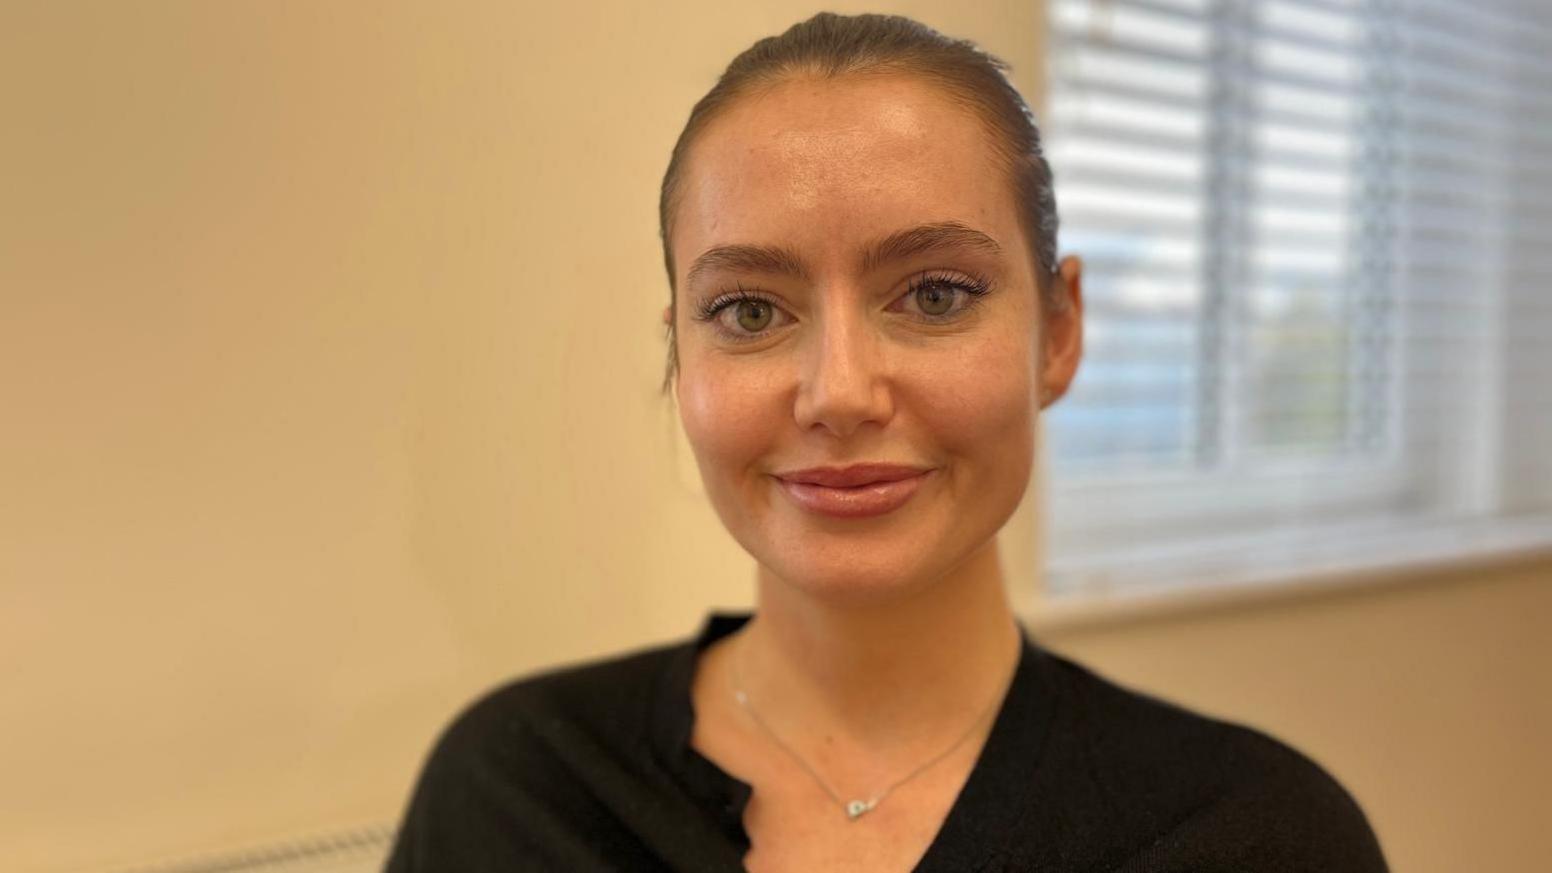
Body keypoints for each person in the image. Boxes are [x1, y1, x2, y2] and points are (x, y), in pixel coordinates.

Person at [384, 12, 1389, 872]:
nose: (838, 393)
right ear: (679, 362)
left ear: (1060, 332)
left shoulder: (1255, 836)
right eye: (746, 312)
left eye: (935, 294)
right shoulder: (512, 794)